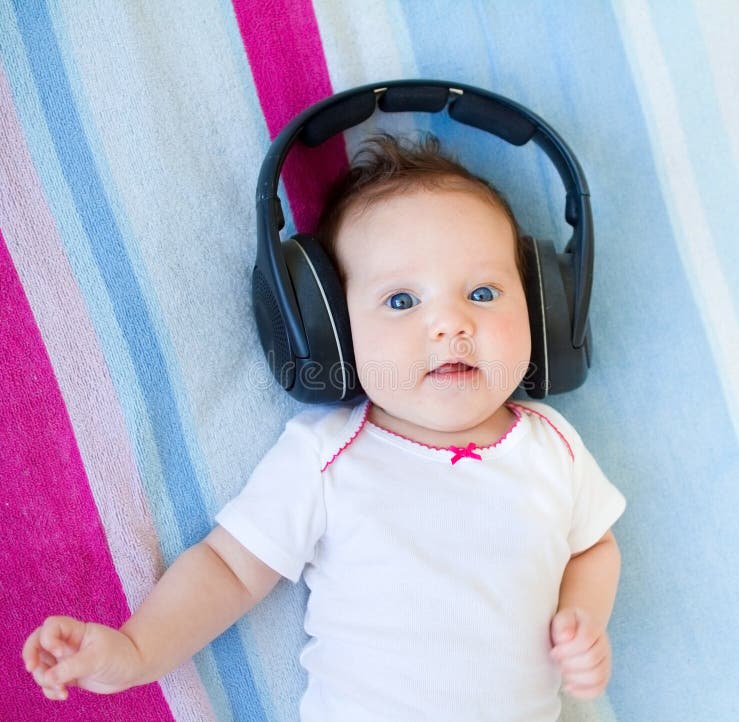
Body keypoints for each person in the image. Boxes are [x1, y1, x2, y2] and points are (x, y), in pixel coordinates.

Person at [22, 134, 626, 721]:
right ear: (330, 330)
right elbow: (230, 568)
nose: (450, 322)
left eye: (484, 291)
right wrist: (136, 649)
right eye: (400, 302)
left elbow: (595, 546)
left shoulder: (554, 449)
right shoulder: (330, 455)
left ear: (544, 306)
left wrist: (581, 618)